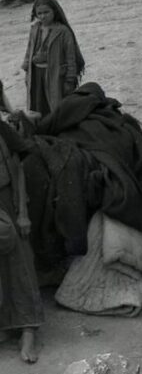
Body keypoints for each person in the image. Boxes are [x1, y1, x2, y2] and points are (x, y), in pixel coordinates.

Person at [0, 93, 44, 363]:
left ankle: (28, 330)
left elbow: (18, 171)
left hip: (8, 201)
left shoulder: (3, 130)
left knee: (20, 260)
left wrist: (23, 213)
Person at [23, 0, 85, 116]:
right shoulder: (35, 29)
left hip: (55, 75)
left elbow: (70, 57)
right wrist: (26, 68)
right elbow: (29, 49)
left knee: (55, 105)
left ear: (54, 11)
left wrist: (70, 79)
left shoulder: (63, 31)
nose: (43, 16)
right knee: (38, 104)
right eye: (39, 13)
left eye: (46, 12)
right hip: (36, 74)